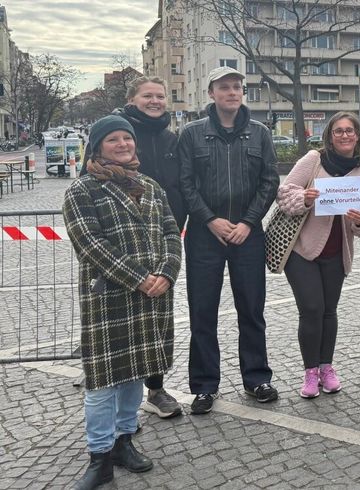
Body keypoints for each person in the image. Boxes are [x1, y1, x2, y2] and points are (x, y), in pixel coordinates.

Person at [63, 115, 182, 489]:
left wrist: (166, 273)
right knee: (101, 382)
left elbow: (171, 232)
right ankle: (99, 457)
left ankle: (124, 441)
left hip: (153, 297)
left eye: (126, 139)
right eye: (113, 139)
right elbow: (91, 244)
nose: (122, 144)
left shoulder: (149, 185)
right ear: (97, 147)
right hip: (110, 297)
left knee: (135, 373)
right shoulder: (82, 190)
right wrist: (139, 278)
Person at [178, 66, 280, 414]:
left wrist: (249, 222)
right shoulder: (191, 134)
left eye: (237, 87)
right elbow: (185, 183)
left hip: (248, 236)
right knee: (202, 312)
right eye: (224, 87)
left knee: (251, 310)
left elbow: (269, 182)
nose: (232, 92)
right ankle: (205, 386)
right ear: (211, 93)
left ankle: (257, 379)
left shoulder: (259, 133)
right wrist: (209, 220)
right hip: (205, 237)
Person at [86, 77, 184, 419]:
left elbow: (182, 183)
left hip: (161, 239)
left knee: (154, 328)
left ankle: (154, 390)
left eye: (160, 95)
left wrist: (169, 260)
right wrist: (137, 274)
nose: (155, 101)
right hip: (122, 255)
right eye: (148, 95)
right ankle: (112, 429)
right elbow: (91, 232)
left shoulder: (173, 138)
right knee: (119, 343)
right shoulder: (119, 131)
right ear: (133, 99)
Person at [276, 112, 360, 398]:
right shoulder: (313, 160)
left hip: (336, 252)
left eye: (350, 131)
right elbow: (283, 195)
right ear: (330, 136)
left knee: (329, 311)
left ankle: (326, 368)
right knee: (311, 309)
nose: (344, 135)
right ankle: (310, 372)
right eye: (338, 131)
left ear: (357, 136)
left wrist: (358, 221)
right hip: (302, 250)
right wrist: (304, 199)